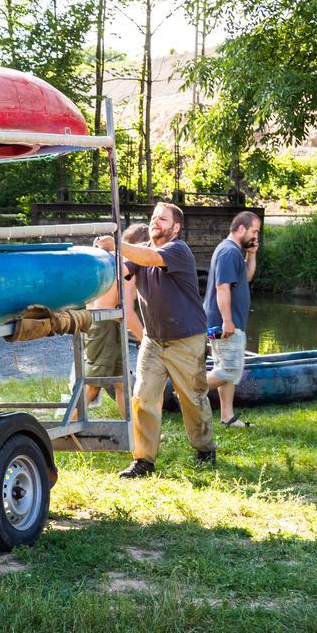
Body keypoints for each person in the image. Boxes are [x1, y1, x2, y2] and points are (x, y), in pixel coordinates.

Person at [116, 202, 216, 478]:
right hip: (153, 340)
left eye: (163, 219)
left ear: (176, 227)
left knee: (192, 399)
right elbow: (123, 270)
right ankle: (144, 460)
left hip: (186, 339)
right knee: (142, 397)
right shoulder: (143, 250)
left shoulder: (178, 250)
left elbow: (149, 259)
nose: (156, 222)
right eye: (154, 217)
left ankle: (205, 448)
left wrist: (115, 244)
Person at [82, 225, 148, 418]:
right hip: (103, 324)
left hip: (108, 322)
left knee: (121, 382)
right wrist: (146, 342)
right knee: (93, 384)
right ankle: (65, 427)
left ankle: (133, 430)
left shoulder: (111, 260)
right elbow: (126, 311)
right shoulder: (124, 265)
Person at [204, 211, 260, 429]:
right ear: (241, 229)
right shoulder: (228, 252)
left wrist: (252, 254)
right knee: (230, 370)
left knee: (224, 367)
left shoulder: (236, 252)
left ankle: (227, 416)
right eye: (254, 231)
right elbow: (222, 287)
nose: (256, 236)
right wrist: (227, 321)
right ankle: (190, 390)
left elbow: (246, 277)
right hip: (223, 323)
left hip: (224, 322)